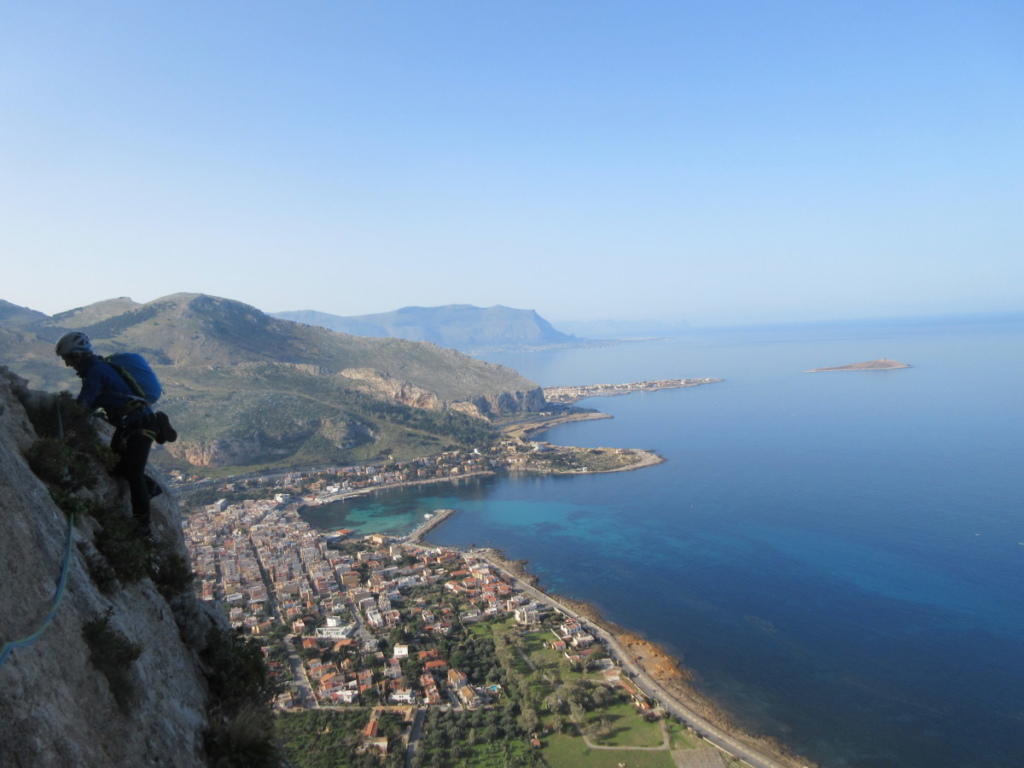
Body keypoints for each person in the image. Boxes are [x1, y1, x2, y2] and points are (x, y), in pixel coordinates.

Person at [55, 331, 160, 540]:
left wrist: (64, 422)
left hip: (139, 424)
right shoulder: (98, 369)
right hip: (130, 425)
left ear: (77, 355)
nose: (68, 365)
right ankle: (150, 487)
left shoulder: (95, 372)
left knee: (134, 473)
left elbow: (84, 405)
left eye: (67, 359)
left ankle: (143, 526)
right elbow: (92, 403)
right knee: (113, 466)